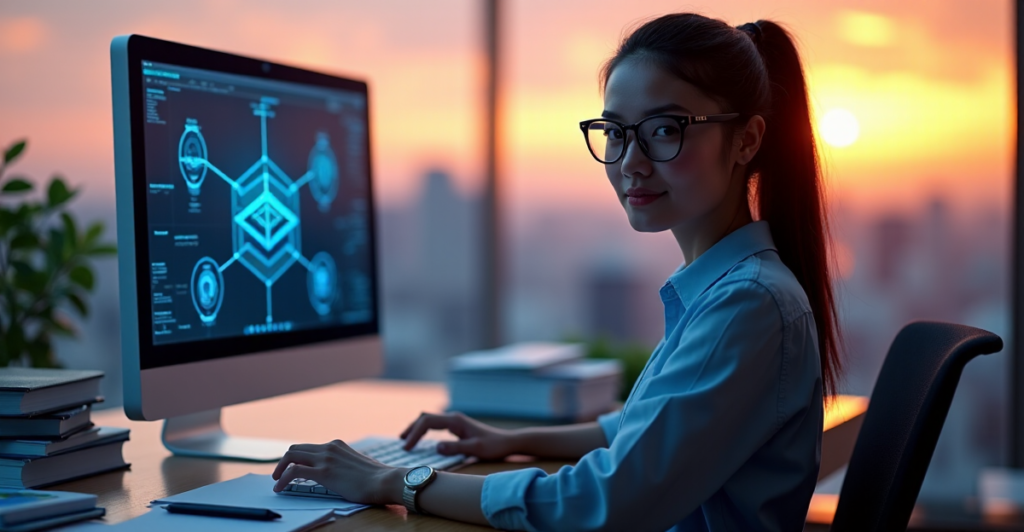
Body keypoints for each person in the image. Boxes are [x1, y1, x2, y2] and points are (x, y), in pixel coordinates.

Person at [271, 12, 843, 532]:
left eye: (665, 129)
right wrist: (512, 440)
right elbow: (651, 429)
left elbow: (609, 500)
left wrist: (394, 481)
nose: (631, 163)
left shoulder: (748, 304)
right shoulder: (727, 289)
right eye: (616, 133)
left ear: (747, 140)